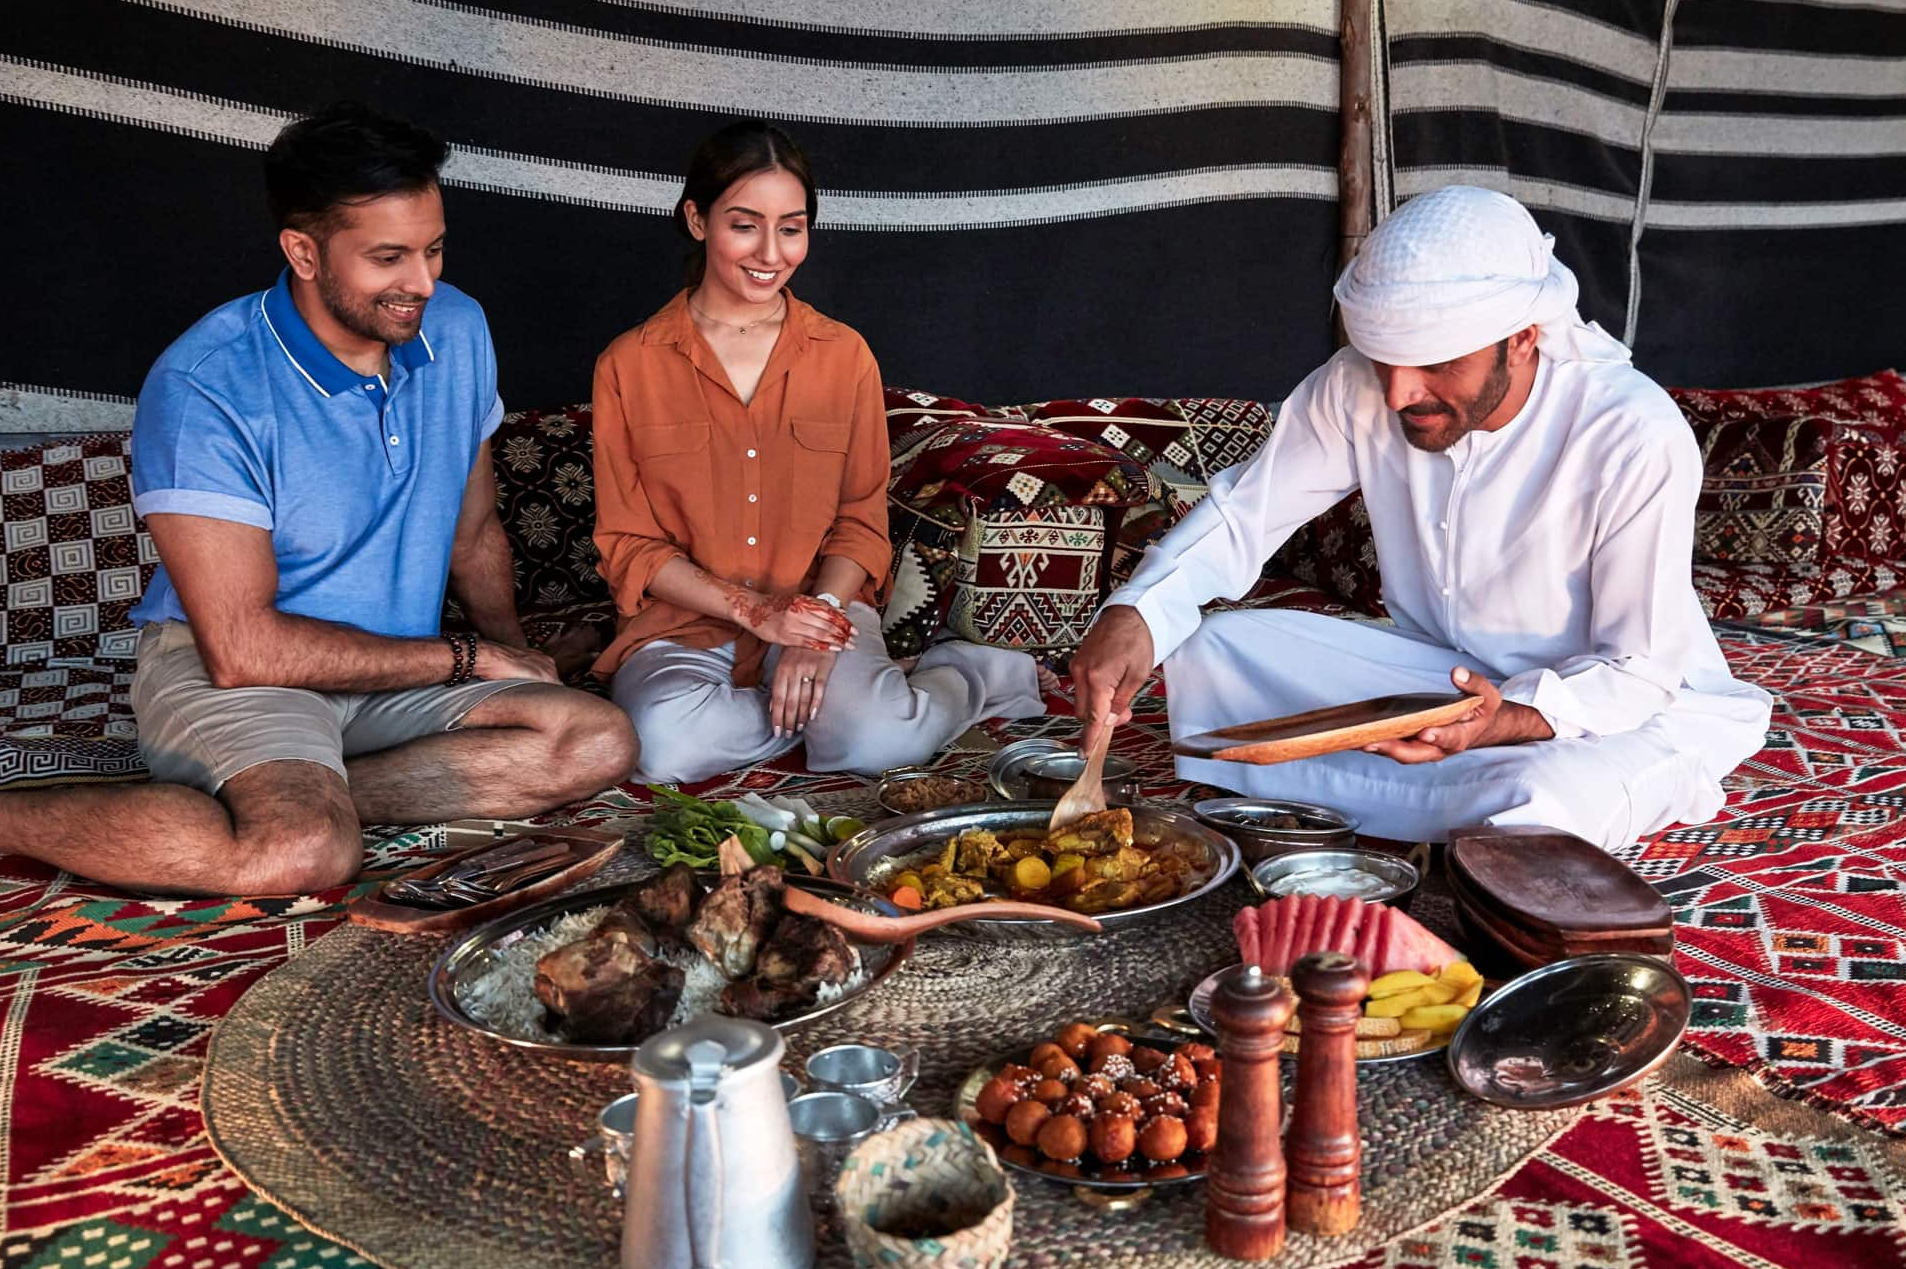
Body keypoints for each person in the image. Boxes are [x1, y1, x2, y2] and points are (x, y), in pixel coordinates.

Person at [0, 103, 638, 894]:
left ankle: (295, 791)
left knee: (595, 740)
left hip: (393, 674)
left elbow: (472, 534)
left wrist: (517, 660)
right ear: (302, 249)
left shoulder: (456, 328)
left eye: (433, 249)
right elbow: (243, 649)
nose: (423, 283)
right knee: (301, 852)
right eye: (389, 258)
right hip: (237, 673)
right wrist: (466, 655)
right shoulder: (207, 385)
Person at [1069, 187, 1771, 850]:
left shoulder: (1631, 432)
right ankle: (1430, 790)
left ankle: (1429, 794)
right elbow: (1245, 512)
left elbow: (1638, 671)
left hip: (1609, 710)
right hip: (1446, 682)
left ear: (1524, 337)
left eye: (1436, 362)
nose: (1401, 391)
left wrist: (1506, 721)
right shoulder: (1359, 388)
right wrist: (1138, 608)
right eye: (1384, 359)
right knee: (1208, 650)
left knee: (1541, 796)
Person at [591, 121, 1041, 783]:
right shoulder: (627, 365)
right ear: (696, 219)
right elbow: (630, 543)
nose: (770, 252)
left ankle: (968, 676)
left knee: (880, 742)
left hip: (822, 604)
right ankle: (826, 716)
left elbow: (861, 520)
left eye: (792, 227)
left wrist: (818, 621)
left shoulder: (843, 356)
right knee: (661, 748)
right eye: (744, 224)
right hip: (688, 623)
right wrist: (756, 613)